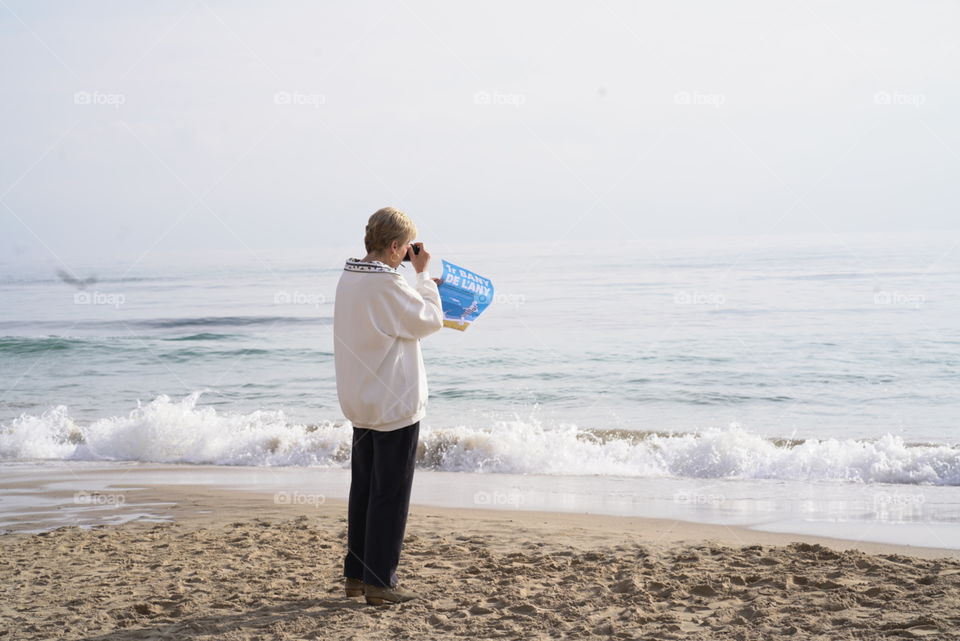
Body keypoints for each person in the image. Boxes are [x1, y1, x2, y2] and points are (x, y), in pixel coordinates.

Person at [333, 206, 444, 605]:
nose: (407, 255)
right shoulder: (388, 284)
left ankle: (357, 576)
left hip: (360, 399)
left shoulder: (350, 276)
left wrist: (410, 277)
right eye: (405, 248)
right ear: (396, 246)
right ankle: (381, 581)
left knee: (363, 489)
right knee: (390, 494)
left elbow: (393, 315)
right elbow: (429, 320)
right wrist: (425, 274)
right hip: (393, 403)